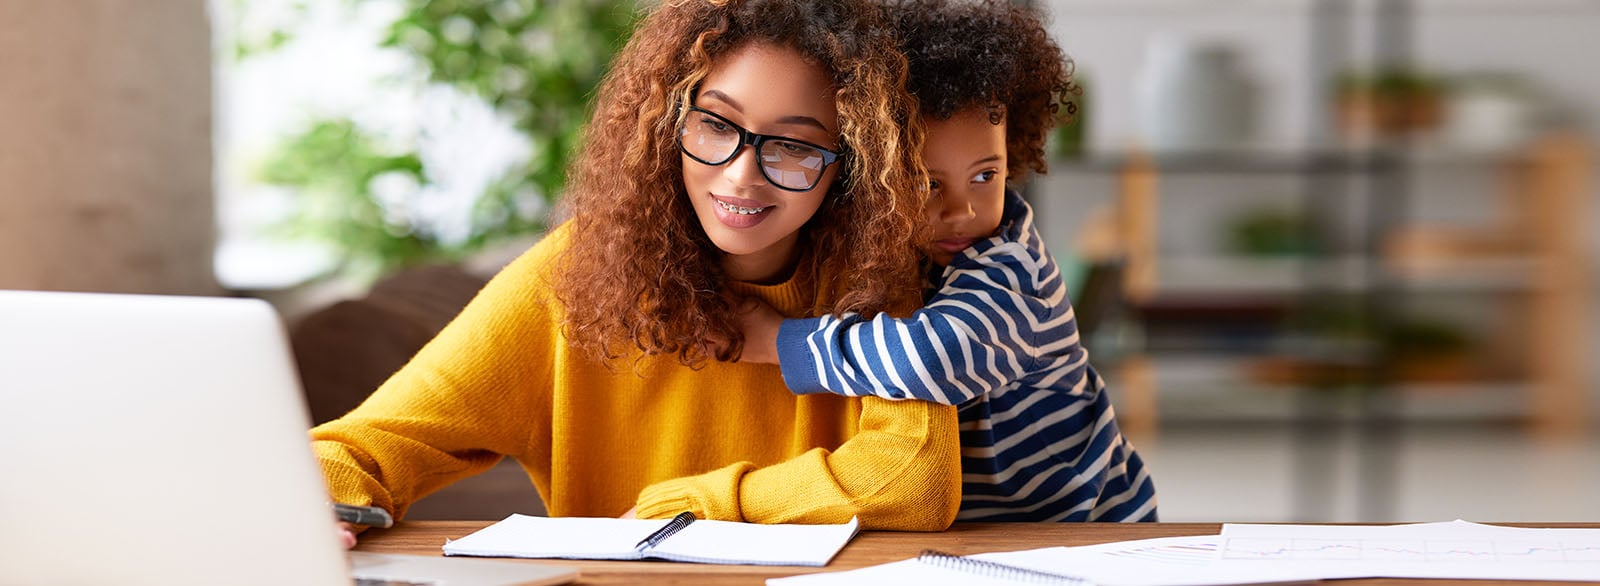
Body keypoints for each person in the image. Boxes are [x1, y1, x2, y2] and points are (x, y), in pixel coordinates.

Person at [310, 0, 961, 548]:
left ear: (848, 160)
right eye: (715, 125)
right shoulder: (576, 270)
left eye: (792, 144)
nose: (741, 175)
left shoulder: (876, 277)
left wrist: (692, 508)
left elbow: (914, 476)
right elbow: (364, 445)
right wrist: (327, 502)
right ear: (670, 123)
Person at [734, 0, 1157, 522]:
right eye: (925, 183)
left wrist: (778, 342)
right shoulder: (898, 255)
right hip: (983, 535)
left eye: (986, 175)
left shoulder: (1011, 270)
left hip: (1086, 528)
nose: (962, 209)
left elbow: (934, 358)